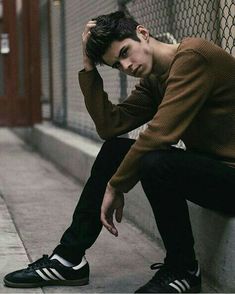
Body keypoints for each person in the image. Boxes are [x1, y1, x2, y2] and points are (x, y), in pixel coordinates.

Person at [4, 10, 235, 293]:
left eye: (126, 52)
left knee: (156, 161)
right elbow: (110, 125)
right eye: (117, 64)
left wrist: (116, 185)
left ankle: (183, 269)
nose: (127, 66)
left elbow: (159, 135)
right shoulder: (155, 80)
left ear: (143, 33)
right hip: (214, 173)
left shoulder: (194, 57)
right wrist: (89, 66)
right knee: (117, 149)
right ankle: (69, 259)